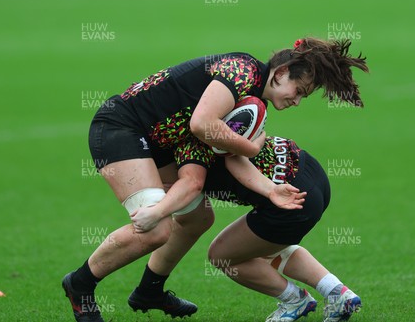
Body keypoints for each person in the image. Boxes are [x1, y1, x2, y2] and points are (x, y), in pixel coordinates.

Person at [62, 38, 369, 322]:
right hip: (122, 129)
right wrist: (252, 145)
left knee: (197, 218)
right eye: (299, 90)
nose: (297, 101)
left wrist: (269, 188)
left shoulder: (246, 100)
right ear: (282, 71)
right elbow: (201, 124)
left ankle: (149, 290)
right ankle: (81, 284)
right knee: (156, 230)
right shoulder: (243, 70)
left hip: (165, 141)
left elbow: (215, 148)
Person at [133, 133, 363, 322]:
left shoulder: (180, 152)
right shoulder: (210, 120)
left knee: (222, 255)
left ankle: (294, 300)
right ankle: (338, 293)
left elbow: (189, 187)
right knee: (268, 249)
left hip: (289, 200)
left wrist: (155, 209)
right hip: (308, 171)